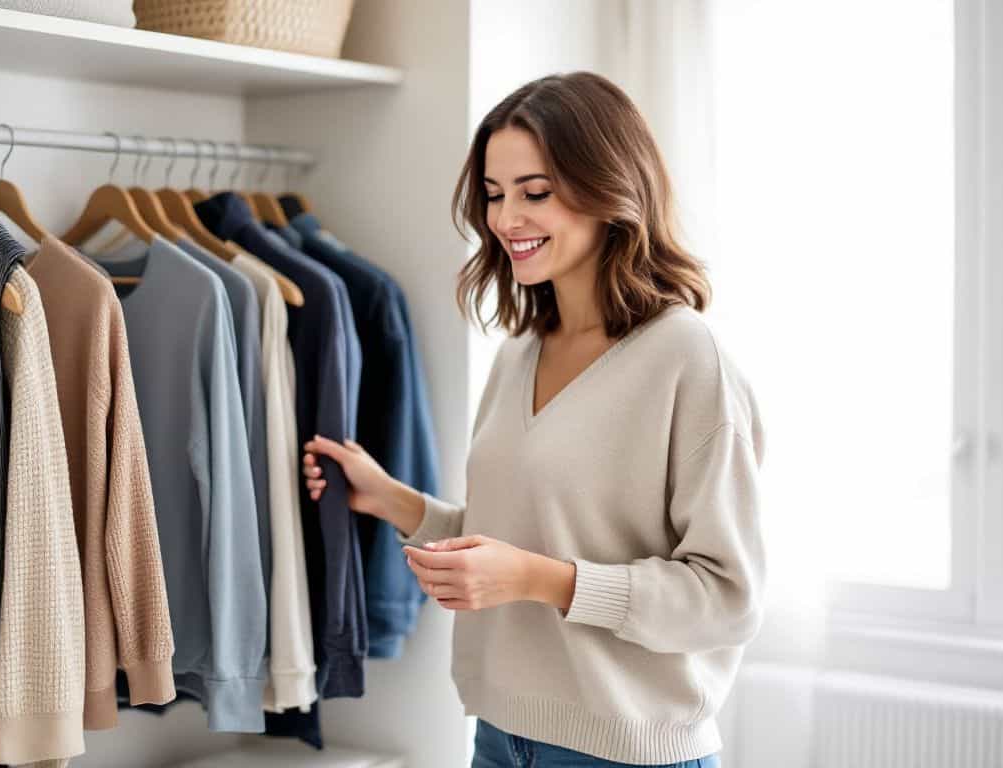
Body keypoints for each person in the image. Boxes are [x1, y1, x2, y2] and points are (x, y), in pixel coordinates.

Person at [302, 72, 765, 768]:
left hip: (629, 753)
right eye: (494, 194)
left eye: (535, 192)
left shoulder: (687, 358)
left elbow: (728, 599)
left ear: (609, 187)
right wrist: (390, 499)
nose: (505, 218)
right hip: (501, 736)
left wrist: (537, 580)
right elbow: (518, 543)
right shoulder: (520, 352)